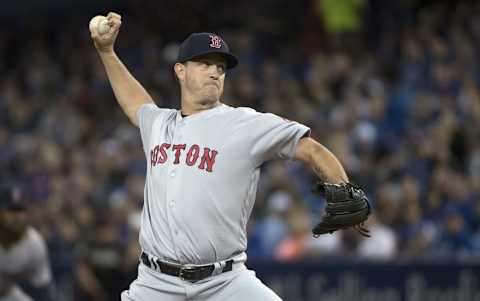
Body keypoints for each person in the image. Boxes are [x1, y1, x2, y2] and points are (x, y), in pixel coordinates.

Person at [91, 12, 352, 301]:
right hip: (156, 284)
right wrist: (106, 51)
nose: (215, 72)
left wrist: (345, 190)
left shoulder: (244, 124)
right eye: (204, 64)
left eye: (220, 67)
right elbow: (135, 102)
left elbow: (310, 149)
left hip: (225, 283)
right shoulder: (159, 124)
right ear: (180, 71)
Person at [0, 185, 56, 301]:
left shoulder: (35, 244)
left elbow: (42, 289)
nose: (17, 217)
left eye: (21, 211)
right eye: (11, 211)